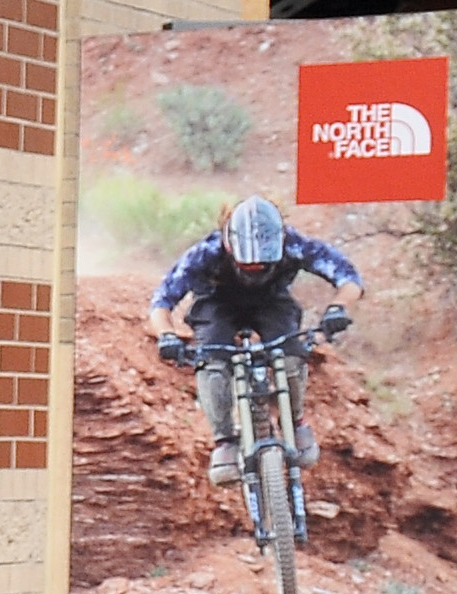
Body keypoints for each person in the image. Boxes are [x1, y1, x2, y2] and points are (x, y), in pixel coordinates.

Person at [150, 196, 362, 481]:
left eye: (264, 265)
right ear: (229, 246)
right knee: (211, 365)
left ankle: (296, 421)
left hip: (271, 302)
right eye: (247, 264)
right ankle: (224, 441)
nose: (255, 269)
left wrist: (338, 308)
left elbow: (348, 277)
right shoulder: (206, 253)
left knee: (292, 354)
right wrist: (167, 336)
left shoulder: (293, 244)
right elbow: (162, 302)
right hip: (217, 305)